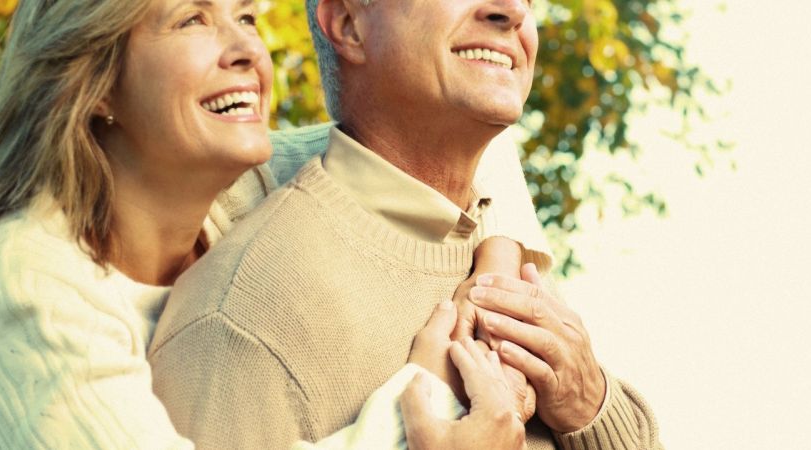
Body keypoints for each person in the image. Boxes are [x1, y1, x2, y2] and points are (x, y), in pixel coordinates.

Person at [0, 0, 551, 447]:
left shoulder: (230, 190)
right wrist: (424, 403)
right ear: (93, 80)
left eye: (245, 16)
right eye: (192, 18)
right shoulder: (22, 289)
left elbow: (462, 131)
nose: (245, 48)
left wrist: (493, 294)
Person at [148, 0, 663, 449]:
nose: (513, 10)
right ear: (349, 25)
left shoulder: (512, 263)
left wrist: (588, 404)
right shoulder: (243, 320)